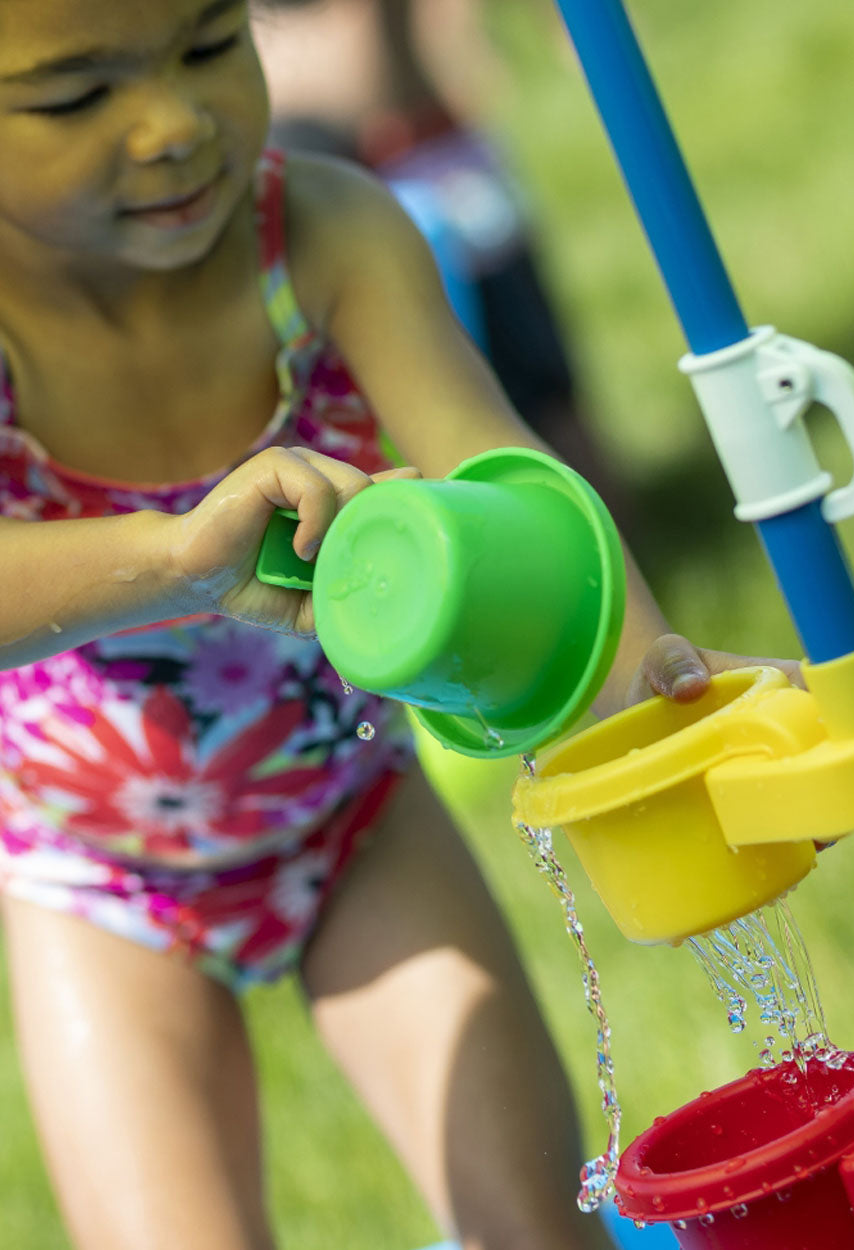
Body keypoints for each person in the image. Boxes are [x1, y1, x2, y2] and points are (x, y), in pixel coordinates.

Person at [0, 4, 797, 1249]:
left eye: (210, 44)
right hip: (92, 872)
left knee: (536, 1226)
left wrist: (657, 674)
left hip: (352, 815)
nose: (171, 124)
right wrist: (176, 559)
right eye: (70, 98)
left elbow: (508, 484)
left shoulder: (320, 234)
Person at [251, 0, 637, 527]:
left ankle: (604, 533)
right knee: (413, 410)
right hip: (346, 175)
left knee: (533, 387)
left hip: (436, 166)